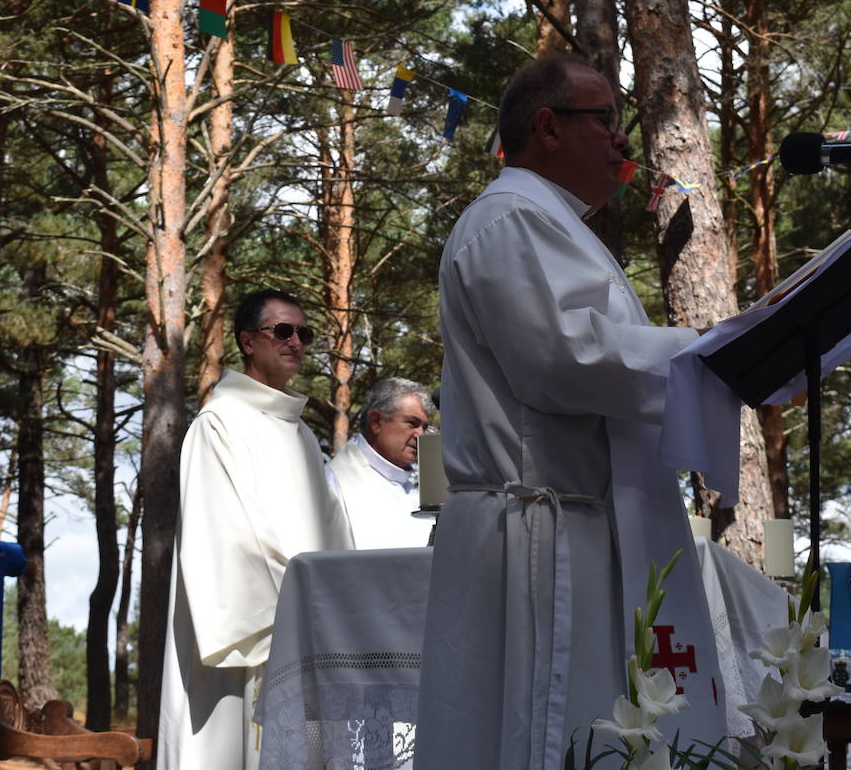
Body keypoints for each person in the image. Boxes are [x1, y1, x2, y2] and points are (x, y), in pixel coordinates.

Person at [414, 54, 726, 767]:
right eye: (609, 121)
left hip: (575, 527)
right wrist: (705, 352)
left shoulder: (552, 223)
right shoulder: (509, 218)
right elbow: (564, 359)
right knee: (542, 739)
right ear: (548, 127)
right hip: (535, 538)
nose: (625, 143)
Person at [158, 289, 353, 769]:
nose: (296, 342)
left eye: (303, 334)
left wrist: (337, 598)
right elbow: (222, 537)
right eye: (282, 331)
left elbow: (333, 531)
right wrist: (300, 599)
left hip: (306, 624)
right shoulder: (219, 424)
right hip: (251, 635)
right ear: (248, 341)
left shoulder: (302, 435)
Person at [325, 377, 435, 548]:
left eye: (424, 427)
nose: (421, 435)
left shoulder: (423, 487)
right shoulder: (333, 482)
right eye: (412, 423)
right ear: (376, 421)